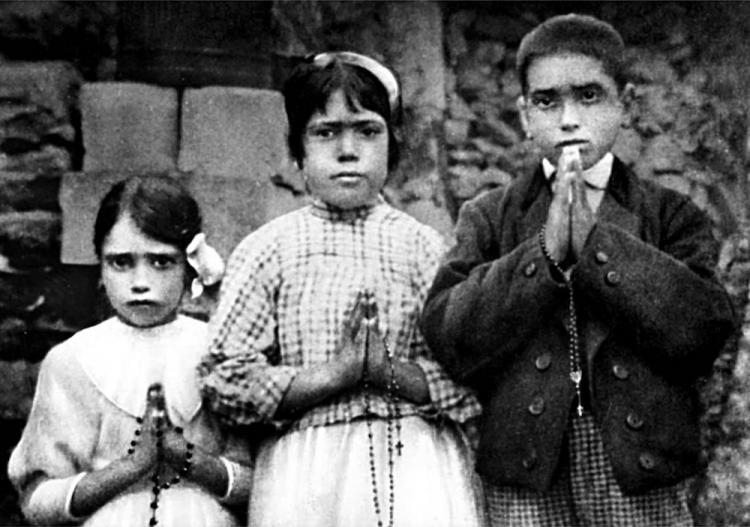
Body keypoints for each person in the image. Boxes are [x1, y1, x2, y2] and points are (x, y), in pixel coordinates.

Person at [420, 14, 736, 527]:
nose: (568, 118)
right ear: (524, 115)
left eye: (589, 96)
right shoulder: (488, 215)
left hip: (636, 467)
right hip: (527, 471)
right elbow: (451, 336)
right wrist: (541, 253)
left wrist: (597, 245)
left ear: (626, 105)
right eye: (547, 101)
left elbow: (702, 330)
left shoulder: (672, 214)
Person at [198, 51, 486, 527]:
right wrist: (338, 374)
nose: (348, 150)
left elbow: (471, 373)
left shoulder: (427, 249)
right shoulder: (269, 249)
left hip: (415, 464)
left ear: (392, 145)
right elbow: (226, 378)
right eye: (326, 132)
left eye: (367, 131)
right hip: (306, 472)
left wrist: (388, 371)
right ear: (298, 152)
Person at [8, 175, 252, 527]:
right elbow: (37, 501)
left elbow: (259, 482)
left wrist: (187, 457)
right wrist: (130, 467)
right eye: (121, 262)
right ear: (101, 265)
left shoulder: (221, 351)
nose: (140, 282)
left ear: (189, 266)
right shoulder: (71, 360)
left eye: (161, 262)